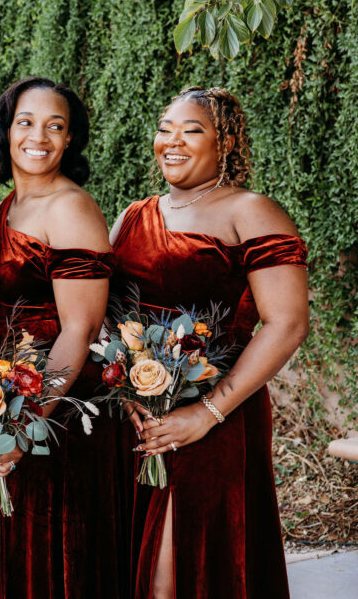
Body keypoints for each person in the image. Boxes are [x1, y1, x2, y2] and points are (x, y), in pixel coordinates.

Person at [110, 86, 309, 599]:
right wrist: (127, 392)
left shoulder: (252, 211)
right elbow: (108, 316)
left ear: (226, 142)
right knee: (134, 565)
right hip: (137, 420)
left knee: (178, 574)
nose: (172, 141)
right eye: (165, 129)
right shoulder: (133, 215)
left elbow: (287, 323)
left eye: (192, 130)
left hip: (219, 418)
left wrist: (206, 414)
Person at [0, 77, 129, 598]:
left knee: (58, 564)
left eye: (55, 126)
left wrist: (24, 427)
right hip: (12, 398)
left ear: (69, 139)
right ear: (6, 130)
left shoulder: (69, 207)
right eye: (26, 122)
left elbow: (81, 327)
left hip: (60, 410)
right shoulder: (9, 205)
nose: (38, 136)